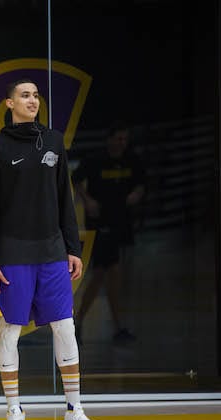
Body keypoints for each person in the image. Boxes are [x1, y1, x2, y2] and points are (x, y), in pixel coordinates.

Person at [0, 79, 106, 420]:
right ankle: (14, 412)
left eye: (36, 95)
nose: (32, 100)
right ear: (9, 103)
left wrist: (72, 248)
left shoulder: (53, 141)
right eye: (24, 95)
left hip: (52, 252)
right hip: (12, 253)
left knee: (65, 326)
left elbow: (65, 197)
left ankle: (74, 412)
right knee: (10, 330)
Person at [72, 123, 145, 345]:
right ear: (110, 139)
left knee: (112, 274)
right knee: (104, 272)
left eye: (125, 139)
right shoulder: (96, 159)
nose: (122, 143)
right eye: (119, 138)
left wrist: (136, 194)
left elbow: (143, 183)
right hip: (101, 223)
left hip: (121, 222)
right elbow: (76, 179)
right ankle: (81, 323)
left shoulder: (132, 160)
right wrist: (87, 200)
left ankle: (114, 326)